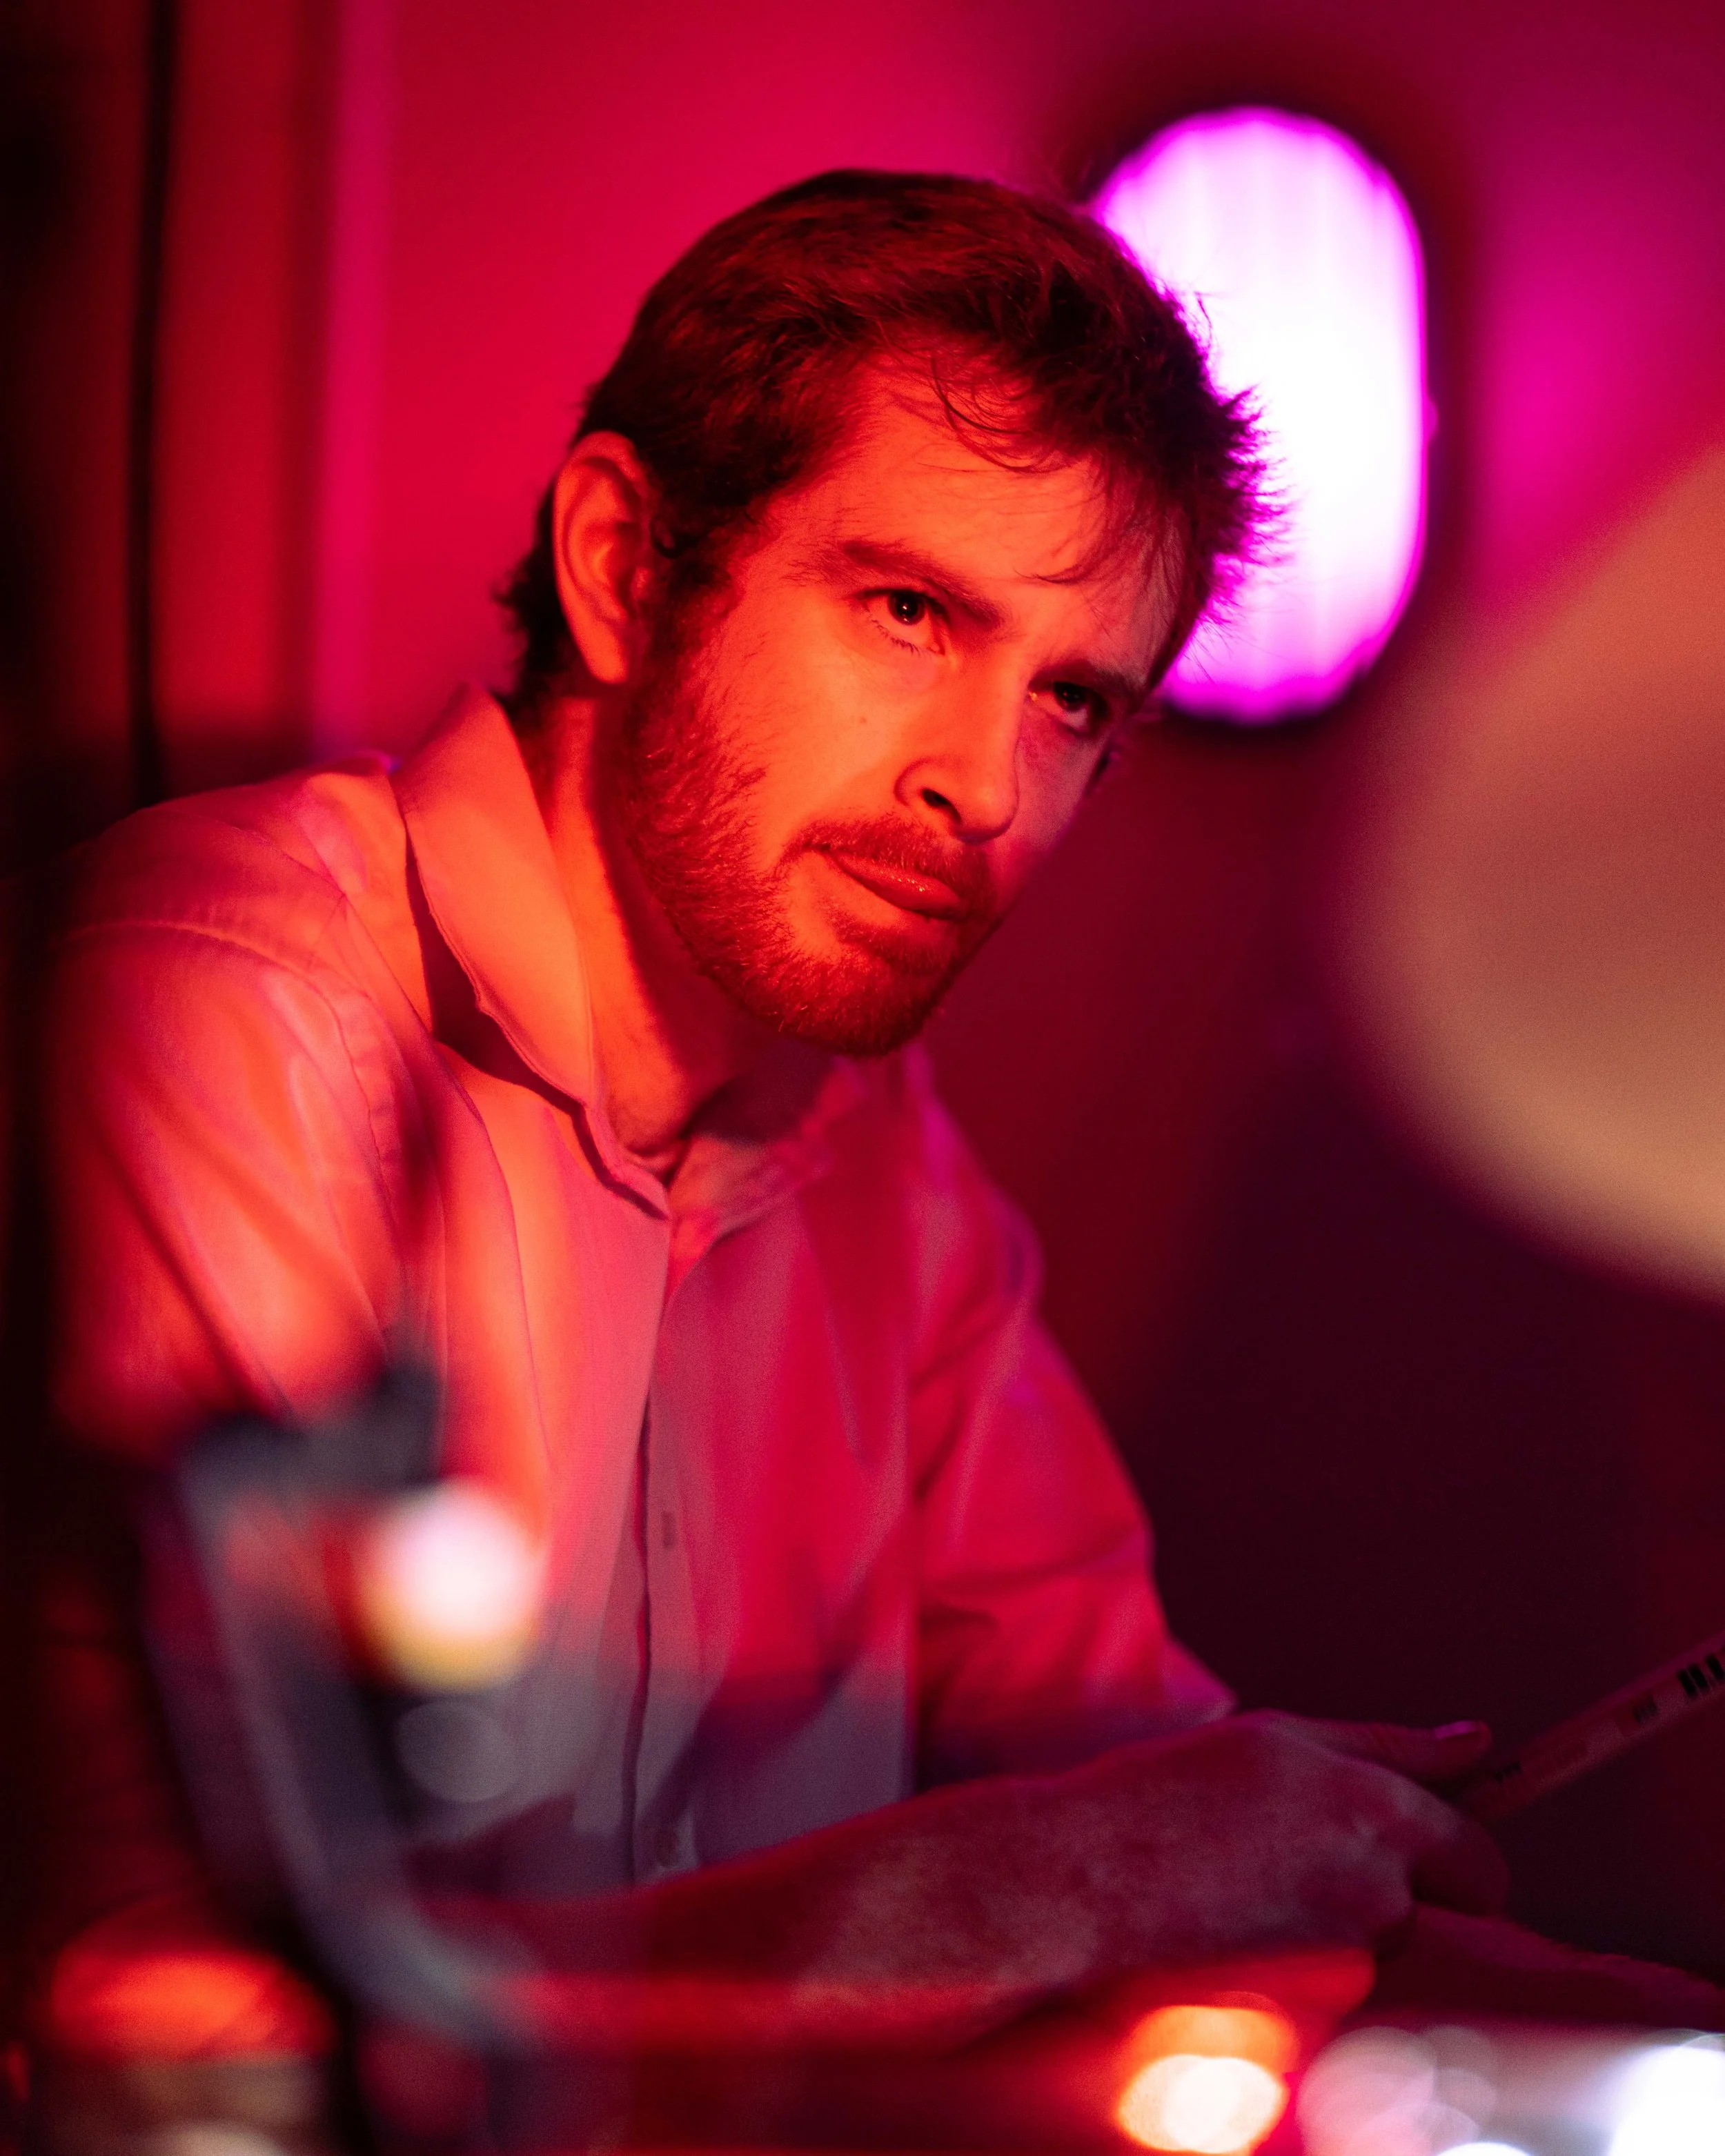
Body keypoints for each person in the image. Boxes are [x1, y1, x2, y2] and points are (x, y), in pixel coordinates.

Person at [22, 170, 1717, 2145]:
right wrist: (999, 1891)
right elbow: (172, 2047)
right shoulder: (219, 1005)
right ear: (624, 566)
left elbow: (1156, 1832)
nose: (983, 792)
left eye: (1073, 698)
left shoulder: (875, 1157)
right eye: (911, 610)